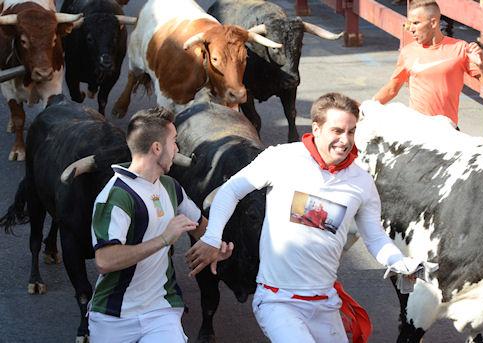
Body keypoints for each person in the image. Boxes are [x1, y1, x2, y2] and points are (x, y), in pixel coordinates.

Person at [186, 92, 425, 343]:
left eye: (351, 132)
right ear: (316, 128)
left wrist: (399, 262)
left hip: (325, 304)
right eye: (337, 131)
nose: (345, 141)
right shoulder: (283, 158)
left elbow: (374, 236)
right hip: (277, 301)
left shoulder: (361, 182)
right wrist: (212, 237)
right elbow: (231, 190)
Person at [88, 107, 232, 343]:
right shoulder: (116, 196)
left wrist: (216, 245)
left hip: (161, 309)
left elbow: (200, 226)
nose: (177, 149)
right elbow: (105, 261)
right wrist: (164, 239)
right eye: (174, 141)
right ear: (157, 148)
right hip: (113, 316)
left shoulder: (170, 186)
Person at [373, 0, 483, 127]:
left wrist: (482, 66)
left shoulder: (460, 48)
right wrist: (365, 109)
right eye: (410, 24)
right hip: (416, 130)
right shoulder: (407, 52)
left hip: (447, 130)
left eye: (416, 23)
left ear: (433, 22)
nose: (411, 29)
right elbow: (391, 89)